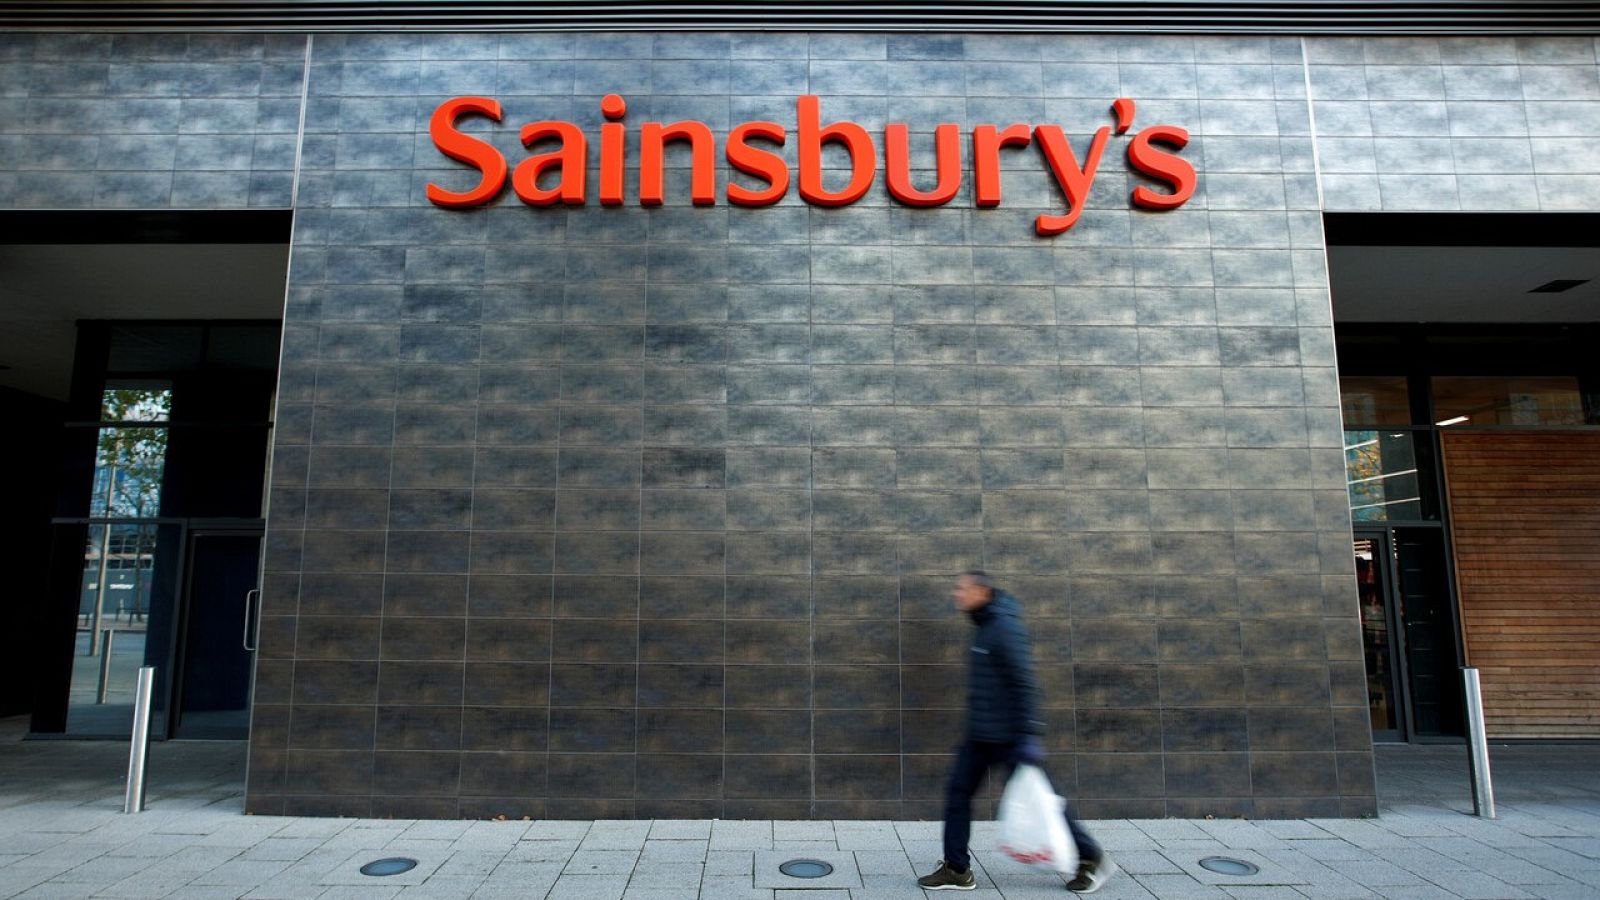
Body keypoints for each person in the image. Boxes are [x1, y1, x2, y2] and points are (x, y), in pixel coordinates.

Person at [917, 570, 1116, 894]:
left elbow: (1025, 683)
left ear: (981, 591)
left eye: (962, 589)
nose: (956, 594)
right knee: (957, 795)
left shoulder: (1003, 628)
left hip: (1010, 738)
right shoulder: (984, 627)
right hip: (981, 735)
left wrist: (1029, 735)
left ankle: (1091, 857)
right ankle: (956, 869)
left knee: (1042, 801)